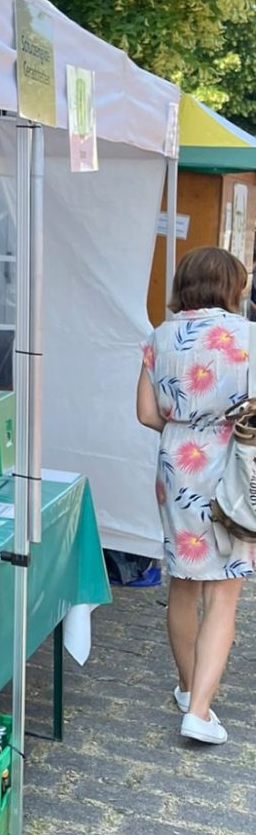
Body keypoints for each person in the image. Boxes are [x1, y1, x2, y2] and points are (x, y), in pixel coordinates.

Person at [137, 245, 254, 745]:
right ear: (232, 287)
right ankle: (200, 713)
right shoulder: (249, 336)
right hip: (233, 469)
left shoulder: (159, 336)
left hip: (177, 466)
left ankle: (188, 689)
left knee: (184, 583)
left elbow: (146, 413)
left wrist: (187, 428)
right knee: (223, 593)